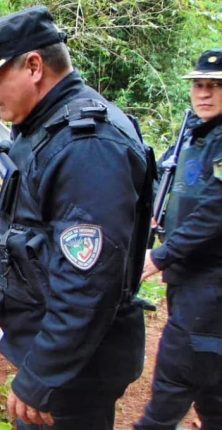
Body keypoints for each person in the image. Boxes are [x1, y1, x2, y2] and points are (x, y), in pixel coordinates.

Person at [0, 6, 154, 429]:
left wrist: (42, 375)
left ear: (34, 66)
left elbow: (89, 284)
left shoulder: (87, 146)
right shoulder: (44, 126)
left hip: (76, 370)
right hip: (62, 356)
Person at [135, 49, 222, 430]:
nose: (204, 93)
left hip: (211, 283)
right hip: (189, 281)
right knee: (210, 382)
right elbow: (165, 179)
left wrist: (160, 256)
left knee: (176, 376)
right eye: (199, 85)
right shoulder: (196, 133)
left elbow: (216, 210)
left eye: (216, 86)